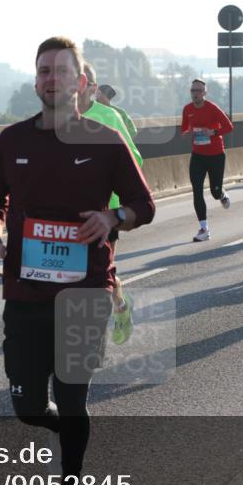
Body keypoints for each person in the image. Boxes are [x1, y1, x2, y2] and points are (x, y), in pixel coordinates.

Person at [0, 36, 154, 485]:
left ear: (80, 82)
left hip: (86, 289)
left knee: (73, 395)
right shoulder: (12, 141)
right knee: (28, 406)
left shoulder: (105, 139)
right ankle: (67, 429)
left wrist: (112, 215)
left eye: (59, 70)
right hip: (25, 292)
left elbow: (144, 205)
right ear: (35, 81)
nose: (50, 78)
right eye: (43, 71)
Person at [80, 66, 144, 345]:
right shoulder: (54, 118)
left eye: (82, 82)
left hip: (106, 210)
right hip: (65, 211)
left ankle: (116, 309)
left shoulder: (109, 117)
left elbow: (134, 161)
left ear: (91, 87)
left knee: (100, 271)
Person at [180, 79, 234, 242]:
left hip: (216, 155)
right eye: (193, 90)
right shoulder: (187, 109)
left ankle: (222, 194)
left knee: (214, 192)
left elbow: (229, 127)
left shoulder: (213, 108)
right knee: (197, 190)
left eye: (198, 90)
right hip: (198, 155)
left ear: (204, 93)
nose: (195, 93)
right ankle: (204, 229)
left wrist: (213, 132)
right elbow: (184, 127)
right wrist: (187, 132)